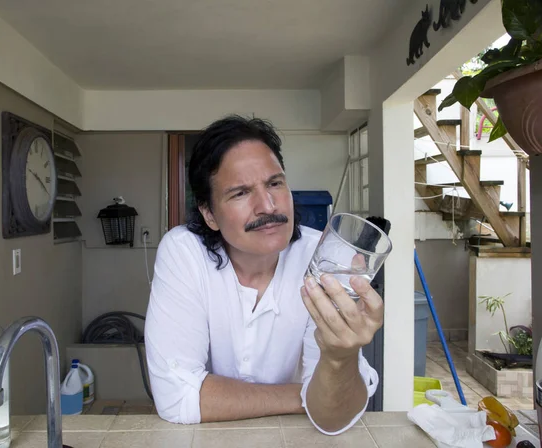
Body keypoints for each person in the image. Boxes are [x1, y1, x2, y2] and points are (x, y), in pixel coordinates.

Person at [144, 115, 384, 435]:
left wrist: (340, 357)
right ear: (209, 214)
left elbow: (332, 418)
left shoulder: (326, 260)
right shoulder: (184, 252)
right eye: (241, 193)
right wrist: (308, 397)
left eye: (274, 183)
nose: (268, 206)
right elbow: (176, 399)